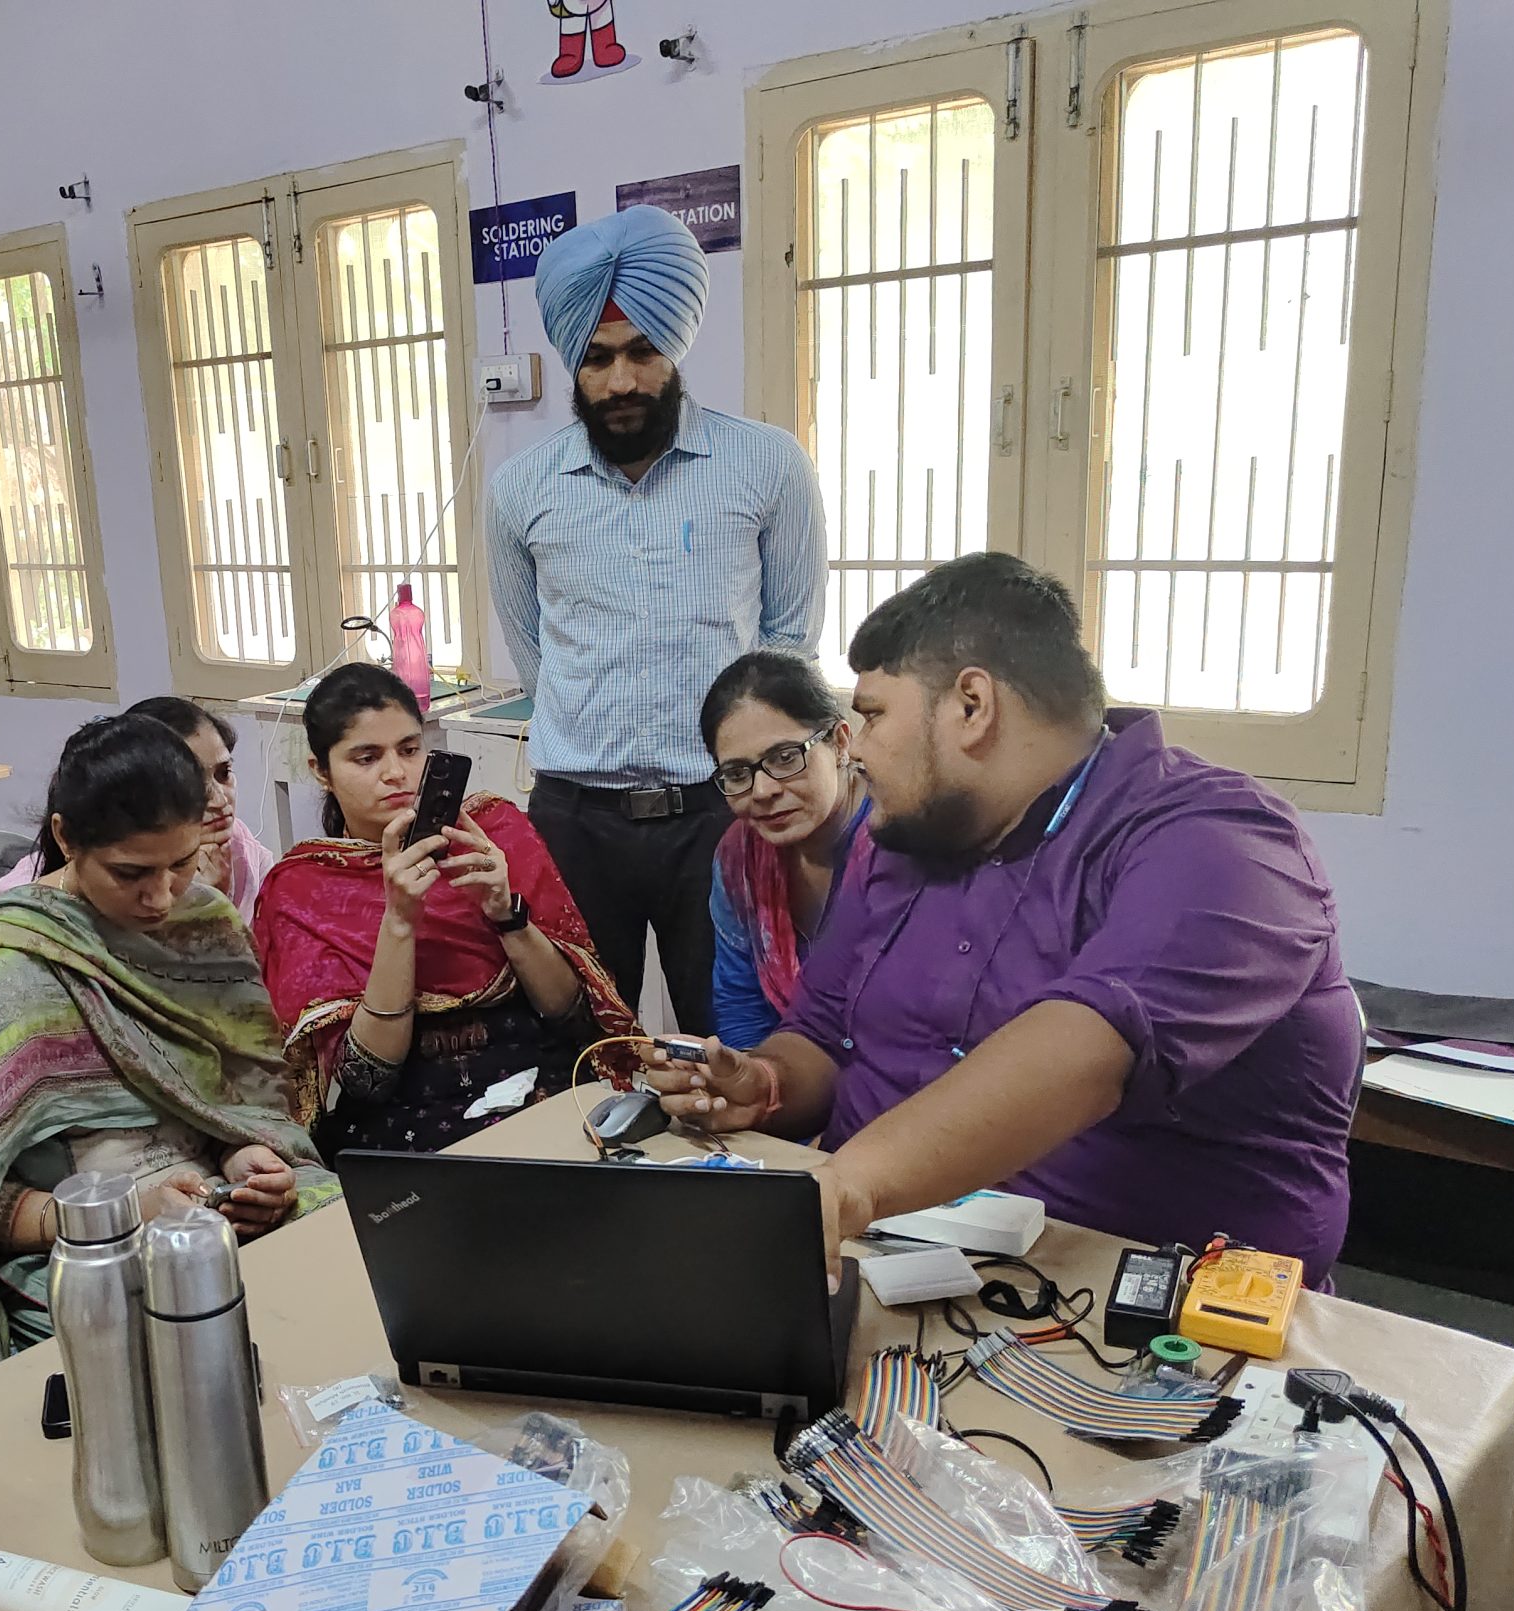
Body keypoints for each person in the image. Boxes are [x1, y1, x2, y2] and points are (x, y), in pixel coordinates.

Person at [647, 553, 1363, 1283]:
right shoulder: (905, 842)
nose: (855, 749)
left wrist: (846, 1189)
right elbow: (823, 1035)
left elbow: (1087, 1049)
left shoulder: (1218, 840)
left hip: (1120, 1294)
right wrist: (764, 1085)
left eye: (872, 714)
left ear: (972, 706)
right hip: (876, 1255)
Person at [0, 714, 335, 1387]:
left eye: (181, 864)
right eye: (130, 872)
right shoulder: (6, 973)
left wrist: (247, 1157)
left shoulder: (203, 929)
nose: (161, 896)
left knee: (347, 1247)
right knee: (183, 1351)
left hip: (215, 1204)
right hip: (82, 1243)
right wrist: (125, 1214)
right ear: (65, 838)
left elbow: (240, 1102)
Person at [487, 202, 827, 1033]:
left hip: (721, 813)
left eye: (642, 352)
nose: (621, 382)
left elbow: (788, 645)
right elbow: (535, 657)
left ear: (675, 345)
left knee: (735, 1037)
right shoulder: (520, 488)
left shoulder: (767, 464)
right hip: (575, 820)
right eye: (597, 358)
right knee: (579, 1039)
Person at [253, 662, 635, 1154]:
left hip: (535, 1079)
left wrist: (506, 913)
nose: (396, 773)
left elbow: (573, 1018)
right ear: (320, 771)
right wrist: (398, 922)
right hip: (405, 1114)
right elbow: (368, 1080)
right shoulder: (304, 888)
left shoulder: (497, 833)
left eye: (410, 749)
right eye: (366, 758)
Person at [700, 650, 871, 1050]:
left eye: (784, 758)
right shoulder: (740, 859)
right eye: (737, 773)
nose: (763, 791)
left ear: (840, 742)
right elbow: (742, 1006)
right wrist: (751, 1079)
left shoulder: (902, 841)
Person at [0, 695, 273, 919]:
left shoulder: (240, 848)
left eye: (224, 773)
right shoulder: (16, 922)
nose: (220, 801)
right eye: (130, 873)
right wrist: (193, 910)